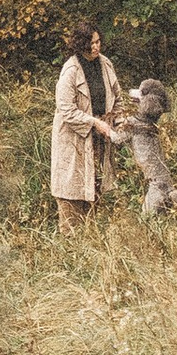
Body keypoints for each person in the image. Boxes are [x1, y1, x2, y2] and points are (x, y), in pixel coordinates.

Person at [50, 24, 122, 230]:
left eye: (98, 42)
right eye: (91, 43)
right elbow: (66, 109)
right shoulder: (71, 70)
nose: (96, 47)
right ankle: (70, 249)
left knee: (96, 189)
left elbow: (117, 98)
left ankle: (92, 243)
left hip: (101, 138)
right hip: (74, 140)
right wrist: (94, 122)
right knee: (71, 193)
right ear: (80, 44)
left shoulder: (106, 64)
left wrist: (118, 122)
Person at [124, 74, 177, 218]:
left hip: (154, 182)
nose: (133, 92)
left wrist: (102, 125)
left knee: (145, 219)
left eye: (140, 92)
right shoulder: (150, 123)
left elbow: (115, 138)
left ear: (147, 100)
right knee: (167, 198)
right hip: (163, 175)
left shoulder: (133, 123)